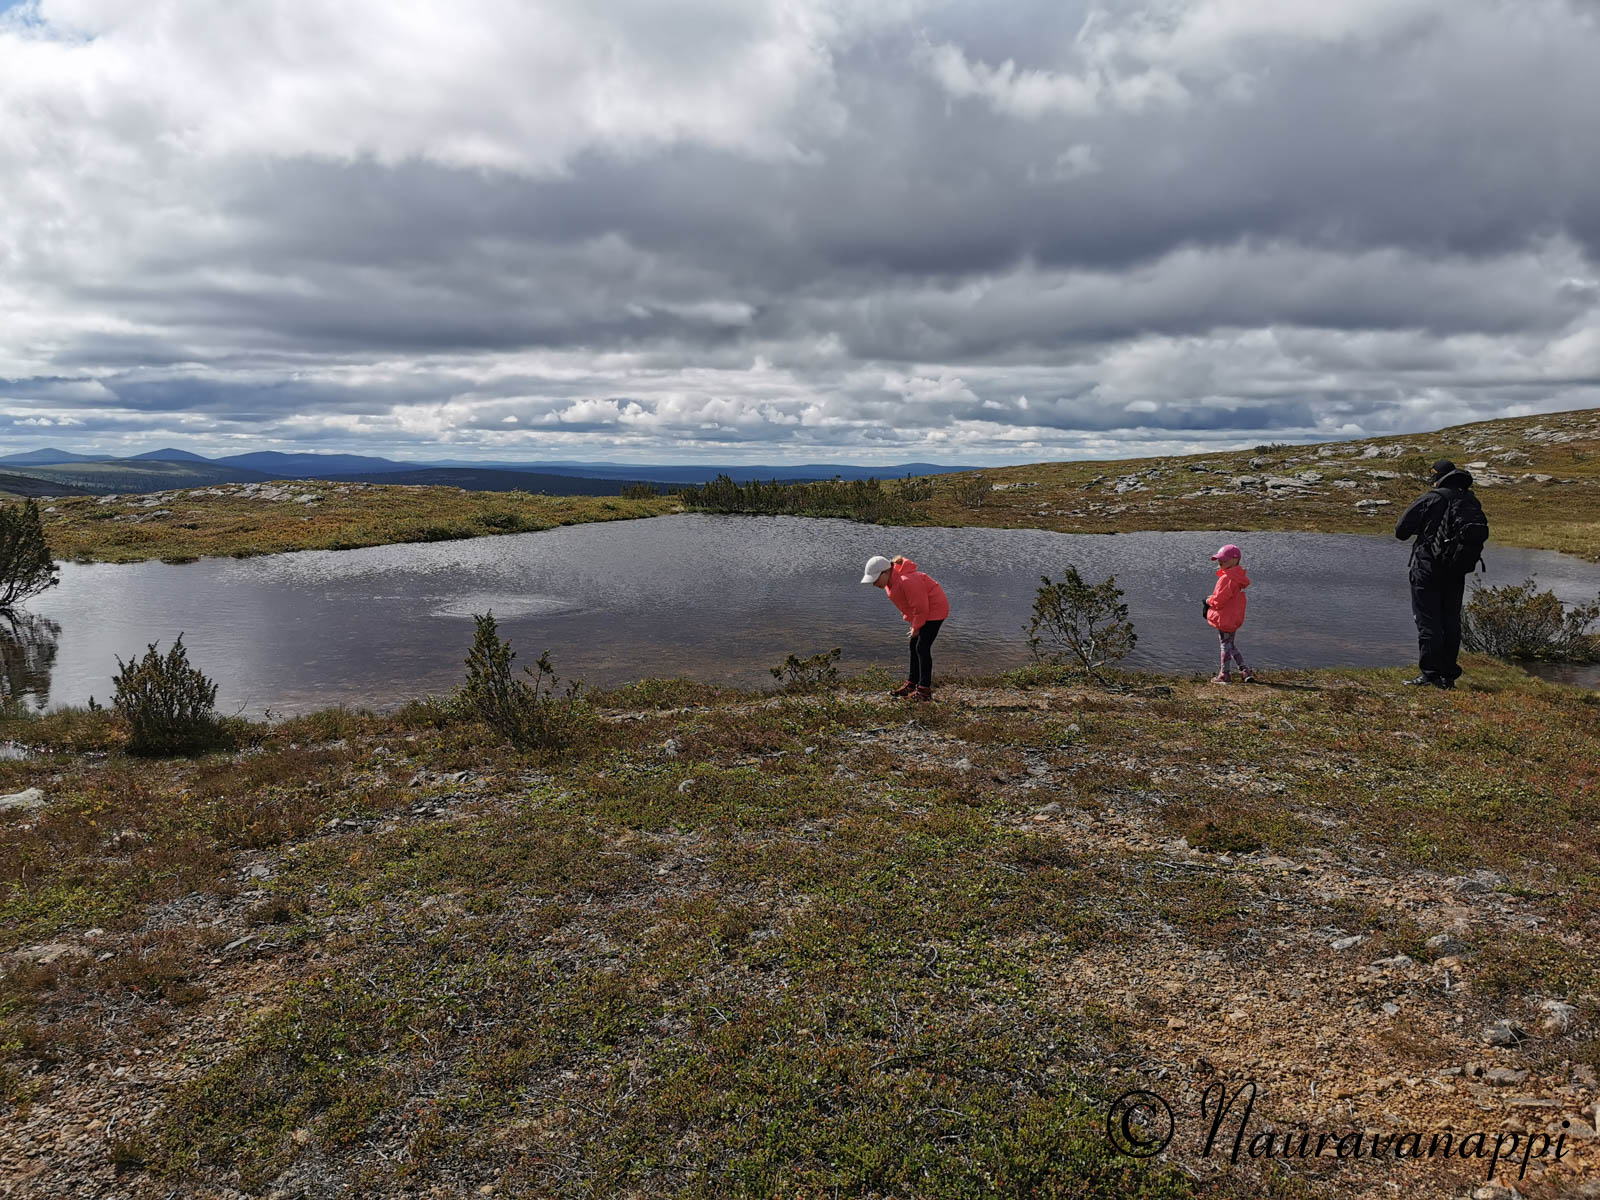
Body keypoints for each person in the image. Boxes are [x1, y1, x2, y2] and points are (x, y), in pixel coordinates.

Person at [1394, 459, 1489, 689]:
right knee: (1450, 621)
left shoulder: (1432, 498)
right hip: (1457, 570)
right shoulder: (1469, 500)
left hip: (1427, 569)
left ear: (1437, 477)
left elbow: (1400, 531)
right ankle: (1448, 676)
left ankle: (1430, 674)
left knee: (1428, 621)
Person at [861, 554, 950, 701]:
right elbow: (907, 605)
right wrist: (914, 624)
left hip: (935, 610)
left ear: (885, 572)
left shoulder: (907, 580)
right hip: (923, 612)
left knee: (922, 647)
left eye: (875, 579)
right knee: (913, 645)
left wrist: (916, 626)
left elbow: (920, 607)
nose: (874, 583)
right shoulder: (890, 583)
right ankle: (912, 684)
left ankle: (924, 691)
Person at [1202, 543, 1256, 684]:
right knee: (1230, 644)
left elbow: (1219, 601)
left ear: (1234, 560)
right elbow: (1227, 596)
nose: (1220, 561)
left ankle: (1224, 675)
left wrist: (1208, 601)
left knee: (1225, 645)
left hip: (1225, 616)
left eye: (1224, 559)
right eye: (1219, 559)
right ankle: (1244, 671)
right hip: (1234, 615)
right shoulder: (1237, 576)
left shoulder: (1227, 578)